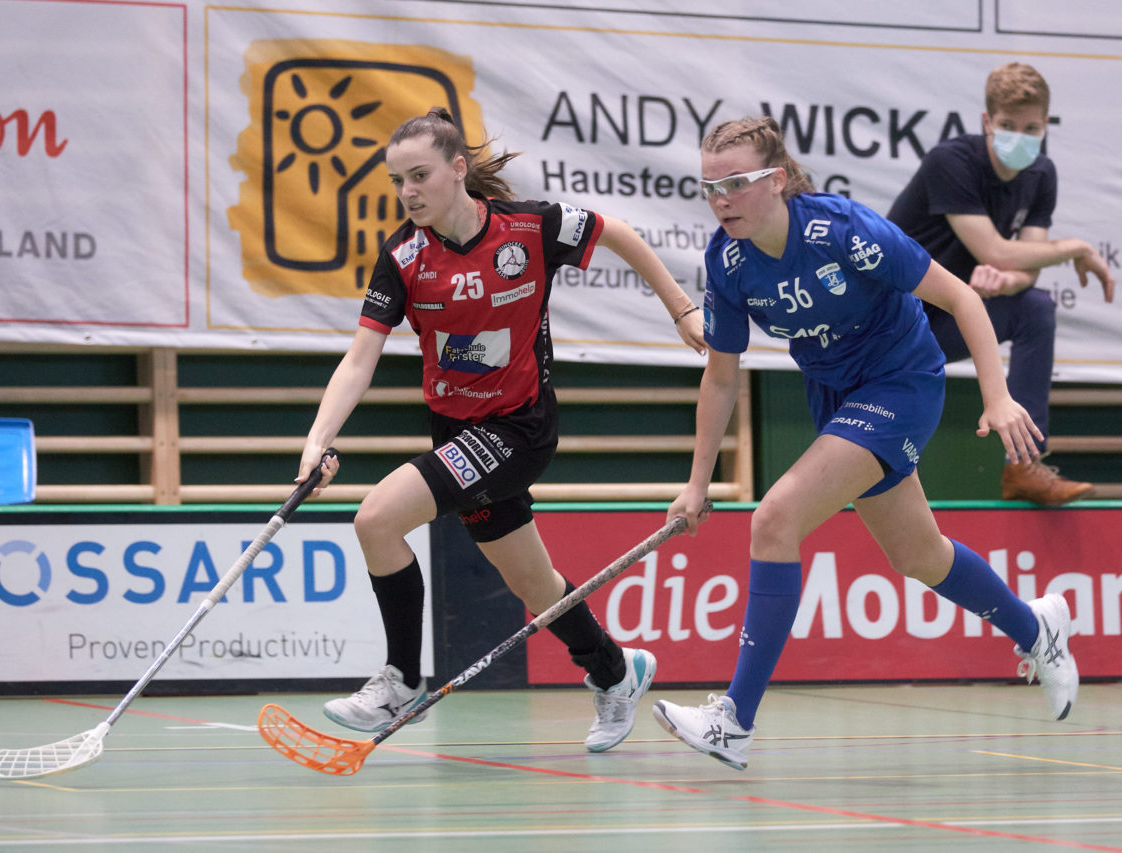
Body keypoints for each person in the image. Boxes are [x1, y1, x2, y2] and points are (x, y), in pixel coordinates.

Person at [652, 116, 1079, 772]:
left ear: (779, 180)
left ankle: (734, 719)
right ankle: (1038, 628)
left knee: (775, 518)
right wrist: (698, 481)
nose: (721, 199)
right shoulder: (728, 261)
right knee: (918, 553)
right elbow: (721, 374)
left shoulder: (844, 232)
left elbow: (963, 298)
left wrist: (997, 396)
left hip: (902, 380)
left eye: (736, 183)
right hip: (835, 394)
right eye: (710, 186)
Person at [296, 107, 708, 752]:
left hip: (519, 429)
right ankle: (616, 670)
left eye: (420, 175)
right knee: (534, 585)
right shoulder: (404, 257)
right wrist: (317, 440)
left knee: (376, 519)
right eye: (398, 179)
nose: (408, 191)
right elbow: (360, 356)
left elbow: (618, 232)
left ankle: (402, 681)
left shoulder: (531, 228)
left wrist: (681, 308)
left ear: (458, 169)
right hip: (456, 435)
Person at [888, 62, 1115, 507]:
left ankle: (1023, 466)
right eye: (1008, 126)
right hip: (890, 325)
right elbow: (996, 249)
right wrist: (1074, 247)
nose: (1020, 136)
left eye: (1031, 127)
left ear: (1045, 125)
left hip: (950, 317)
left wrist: (1006, 282)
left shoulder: (1040, 174)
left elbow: (1020, 265)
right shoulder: (950, 162)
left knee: (1034, 306)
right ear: (987, 122)